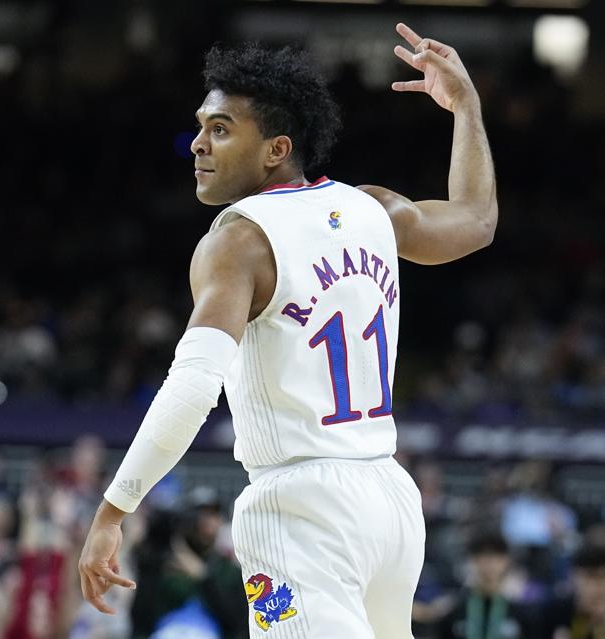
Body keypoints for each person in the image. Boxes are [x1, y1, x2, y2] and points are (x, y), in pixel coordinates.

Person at [78, 22, 498, 638]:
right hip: (389, 497)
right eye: (201, 126)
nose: (198, 144)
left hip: (300, 506)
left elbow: (193, 389)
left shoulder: (239, 240)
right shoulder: (374, 208)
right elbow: (476, 220)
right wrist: (466, 108)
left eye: (220, 129)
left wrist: (113, 510)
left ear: (276, 148)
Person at [435, 533, 529, 639]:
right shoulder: (454, 613)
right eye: (483, 557)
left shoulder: (520, 615)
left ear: (507, 561)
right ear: (472, 561)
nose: (491, 564)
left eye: (497, 557)